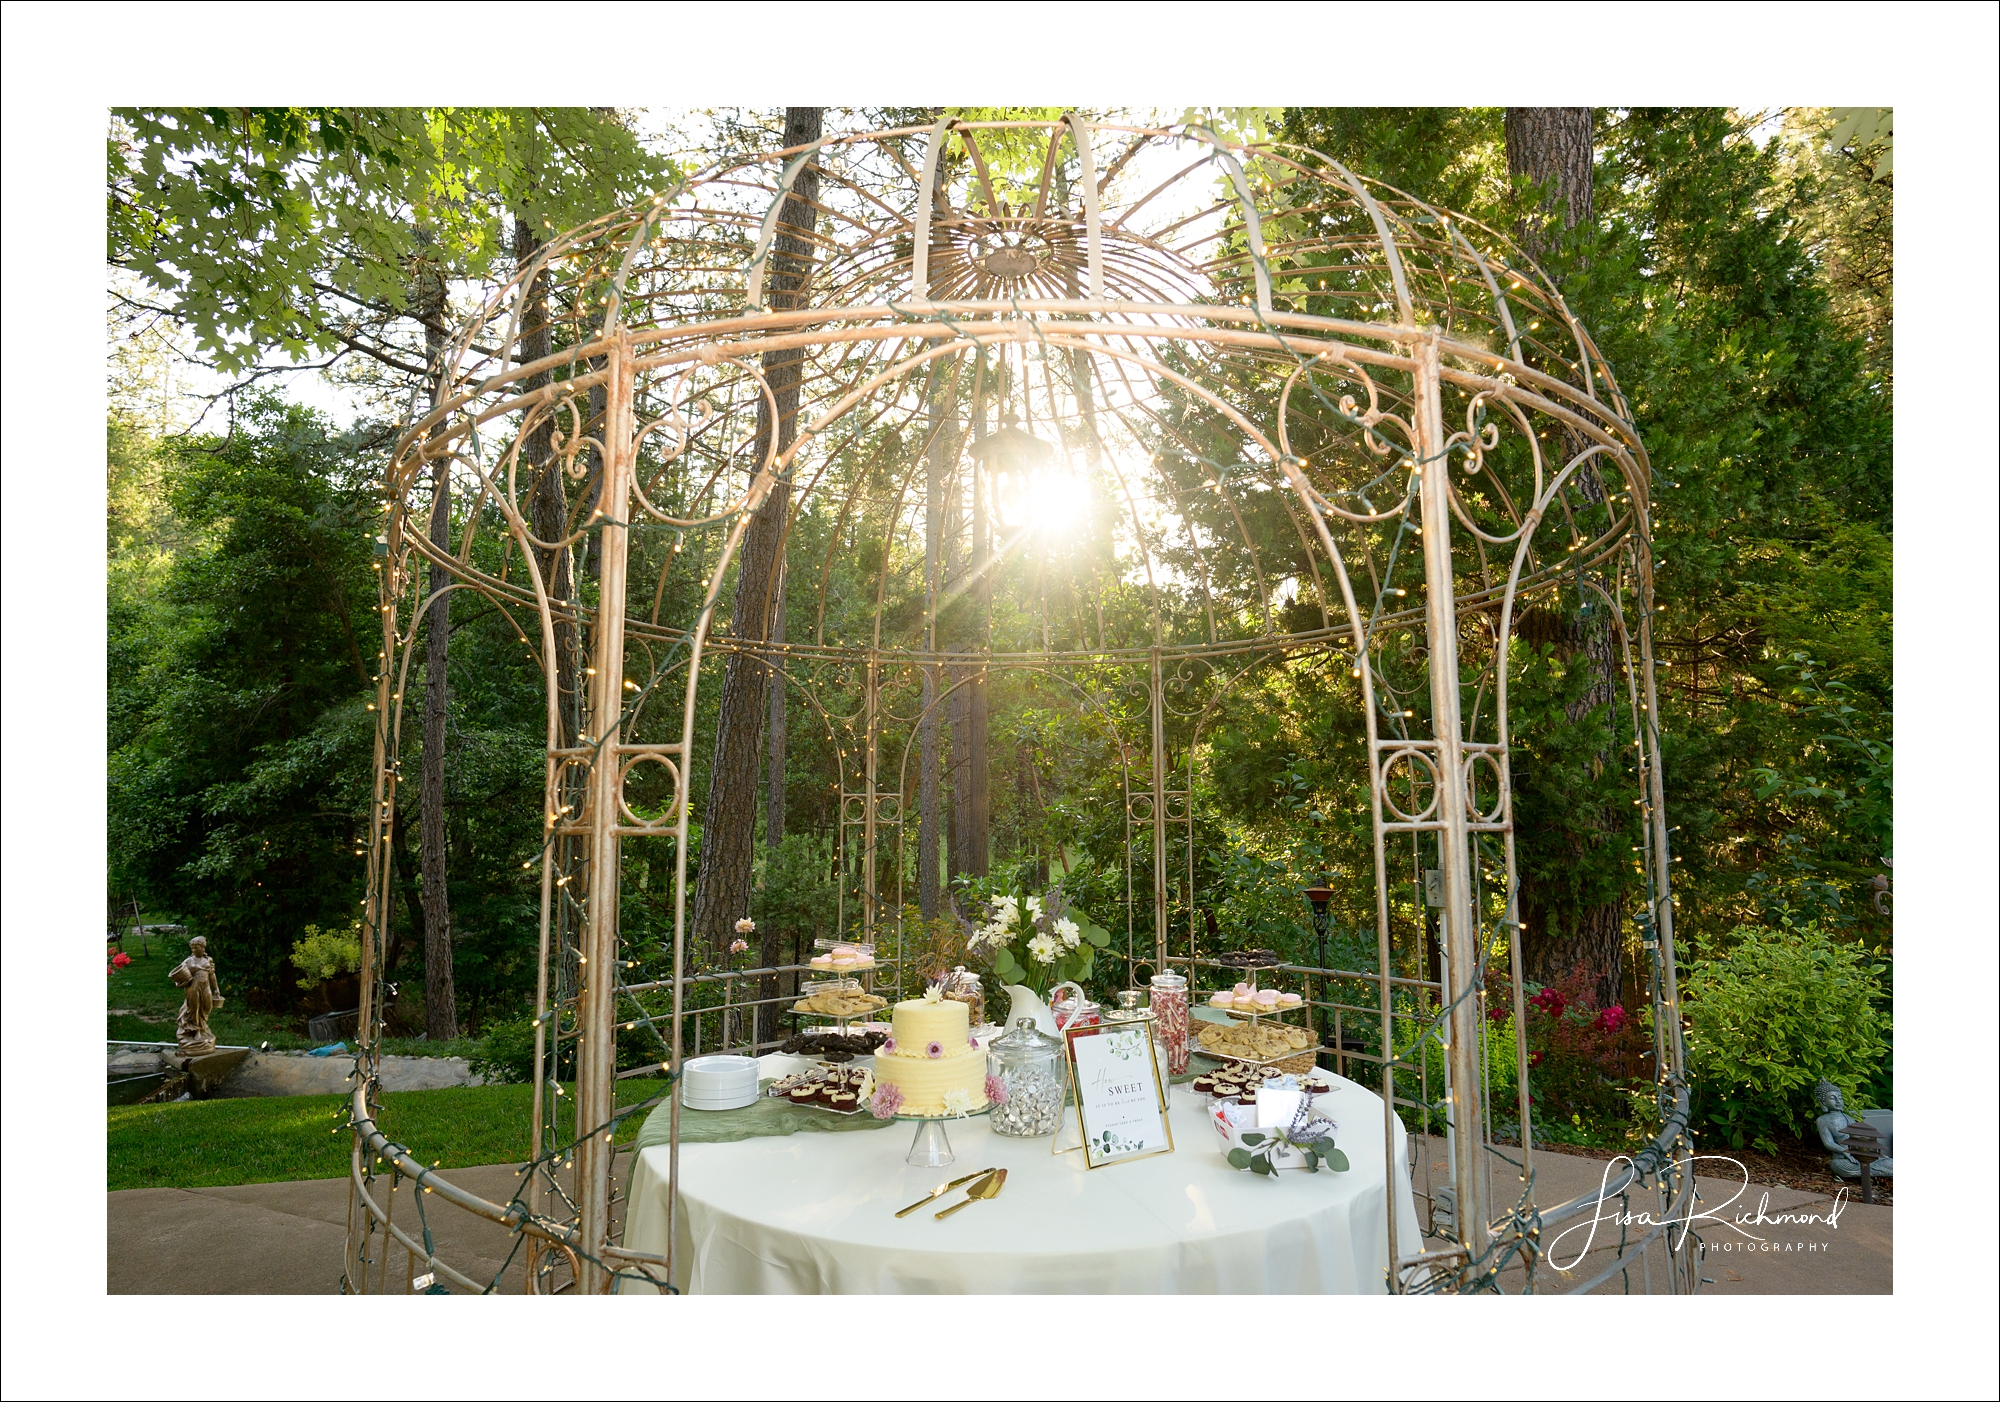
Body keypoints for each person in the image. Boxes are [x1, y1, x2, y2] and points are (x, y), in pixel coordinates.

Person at [1813, 1078, 1891, 1179]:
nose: (1838, 1101)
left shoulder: (1848, 1117)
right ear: (1823, 1102)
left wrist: (1871, 1153)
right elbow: (1829, 1143)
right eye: (1832, 1098)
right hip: (1843, 1158)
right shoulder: (1822, 1120)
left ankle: (1870, 1171)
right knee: (1838, 1166)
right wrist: (1845, 1151)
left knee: (1890, 1162)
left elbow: (1859, 1138)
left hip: (1859, 1154)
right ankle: (1875, 1172)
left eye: (1840, 1098)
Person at [171, 936, 224, 1055]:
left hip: (205, 986)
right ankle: (196, 1031)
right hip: (193, 987)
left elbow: (212, 975)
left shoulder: (208, 960)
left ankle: (203, 1026)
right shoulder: (188, 961)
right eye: (192, 948)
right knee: (194, 1008)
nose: (194, 950)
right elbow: (178, 975)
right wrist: (180, 982)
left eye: (197, 947)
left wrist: (216, 988)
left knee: (207, 1007)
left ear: (203, 947)